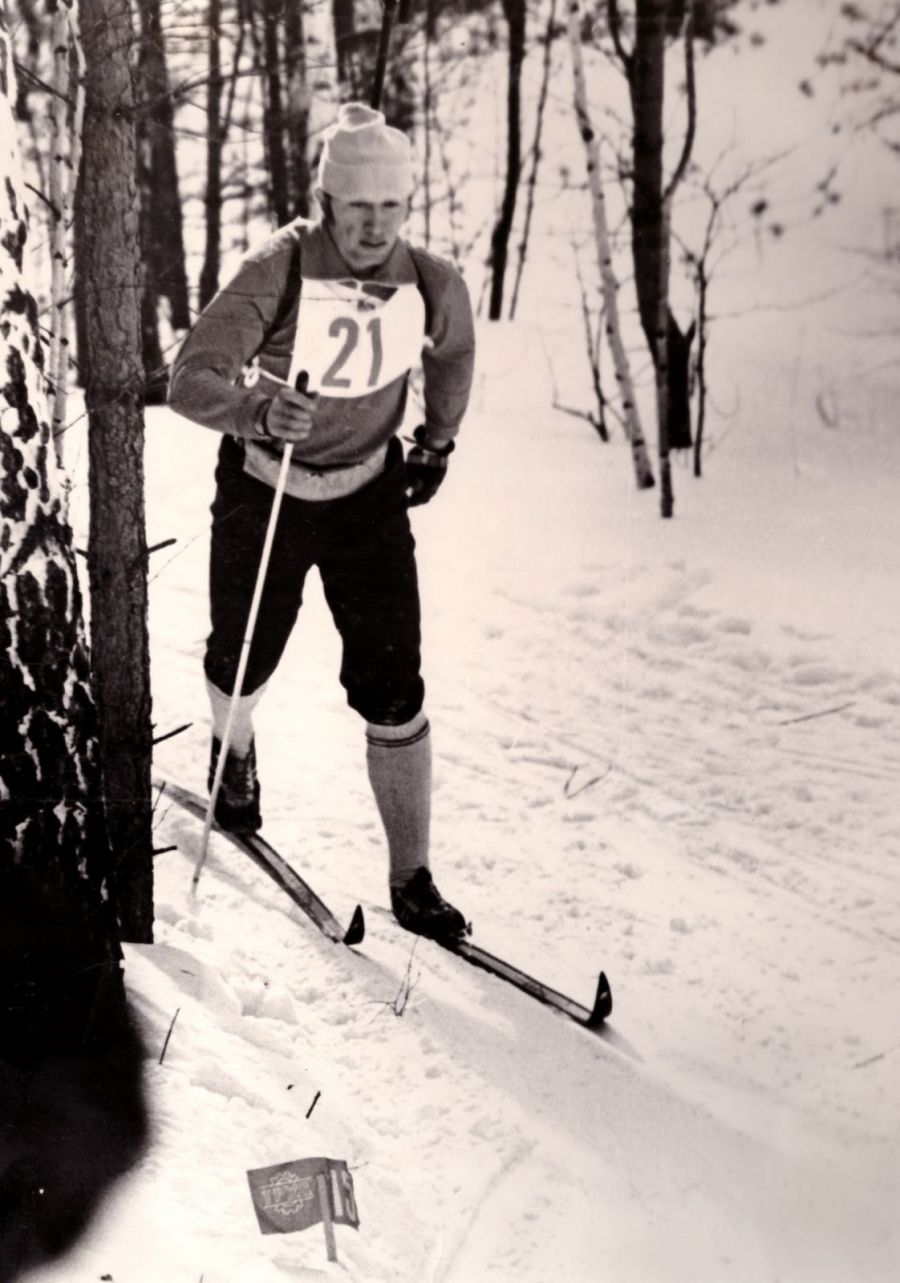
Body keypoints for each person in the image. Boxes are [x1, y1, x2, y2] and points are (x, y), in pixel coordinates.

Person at [169, 102, 475, 941]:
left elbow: (453, 351)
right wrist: (258, 413)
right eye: (357, 207)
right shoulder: (280, 268)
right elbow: (191, 377)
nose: (375, 226)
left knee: (395, 684)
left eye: (390, 207)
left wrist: (436, 442)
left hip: (367, 498)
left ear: (406, 204)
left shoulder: (431, 280)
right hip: (265, 488)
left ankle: (412, 876)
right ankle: (234, 753)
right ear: (327, 201)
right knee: (241, 659)